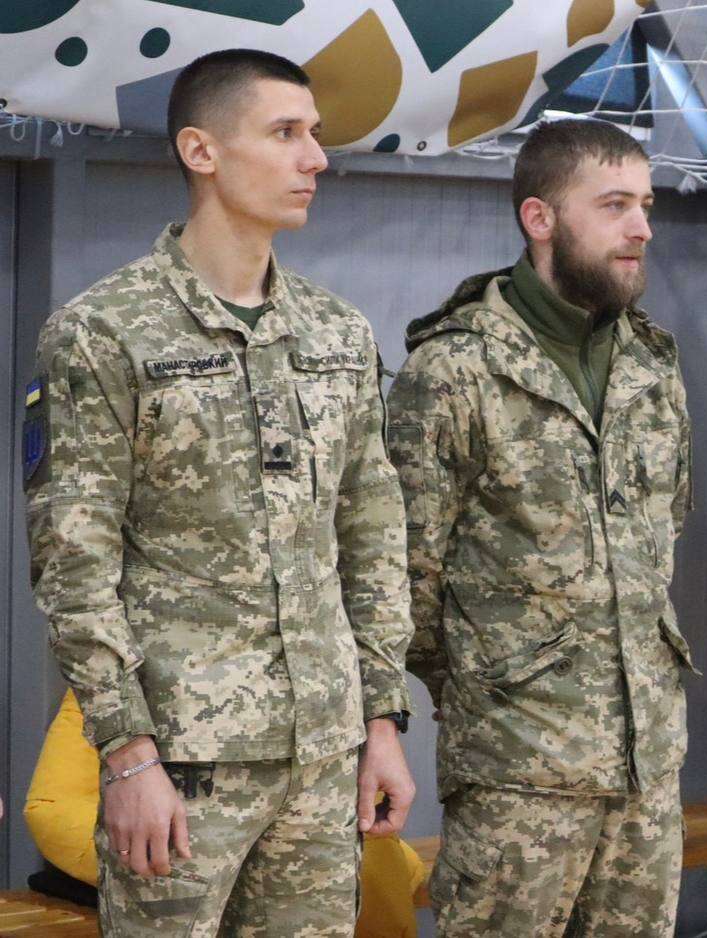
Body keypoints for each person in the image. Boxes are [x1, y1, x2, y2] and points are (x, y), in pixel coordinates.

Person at [22, 49, 415, 936]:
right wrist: (126, 754)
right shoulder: (104, 332)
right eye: (285, 133)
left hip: (323, 756)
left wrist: (382, 720)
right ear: (201, 151)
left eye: (315, 134)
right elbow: (74, 561)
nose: (315, 158)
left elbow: (372, 531)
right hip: (181, 761)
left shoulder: (338, 333)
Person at [386, 118, 694, 937]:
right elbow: (403, 578)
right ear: (540, 218)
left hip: (647, 765)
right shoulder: (455, 369)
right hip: (518, 772)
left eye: (647, 205)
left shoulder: (650, 363)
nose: (642, 228)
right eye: (615, 205)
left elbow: (661, 533)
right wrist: (499, 690)